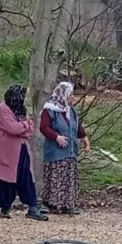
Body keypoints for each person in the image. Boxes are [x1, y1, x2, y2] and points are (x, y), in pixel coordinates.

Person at [0, 85, 46, 221]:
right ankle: (5, 207)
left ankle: (32, 207)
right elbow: (12, 128)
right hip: (7, 152)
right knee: (5, 180)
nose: (23, 99)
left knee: (26, 177)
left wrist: (24, 128)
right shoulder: (2, 109)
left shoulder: (20, 108)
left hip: (22, 148)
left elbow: (31, 129)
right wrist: (25, 126)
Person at [39, 81, 90, 215]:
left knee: (69, 178)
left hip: (70, 151)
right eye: (70, 94)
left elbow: (77, 126)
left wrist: (85, 139)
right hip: (55, 152)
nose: (72, 97)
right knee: (55, 178)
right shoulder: (49, 110)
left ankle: (68, 204)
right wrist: (57, 137)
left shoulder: (71, 111)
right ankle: (50, 204)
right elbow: (44, 127)